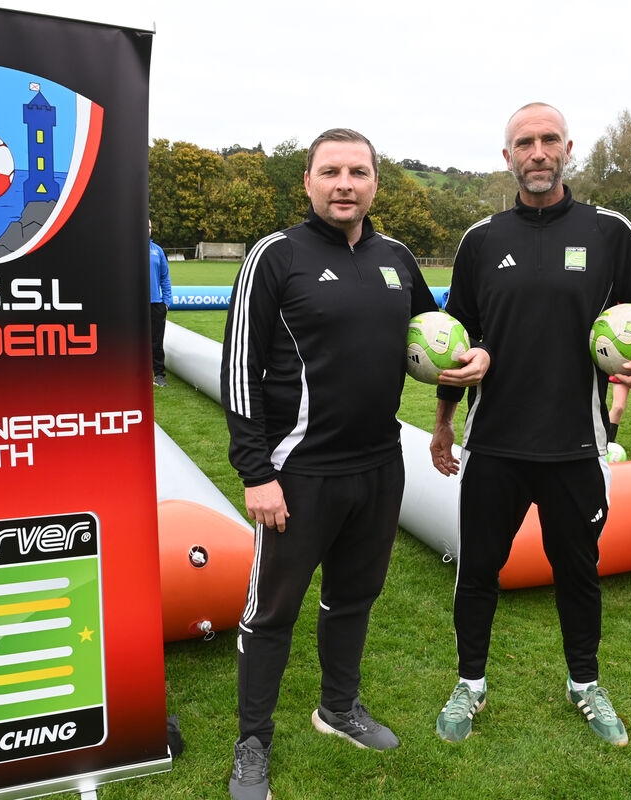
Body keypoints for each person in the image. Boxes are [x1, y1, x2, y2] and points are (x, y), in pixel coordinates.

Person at [429, 102, 631, 748]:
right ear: (507, 156)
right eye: (524, 143)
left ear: (568, 148)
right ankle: (470, 683)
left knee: (578, 573)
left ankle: (584, 684)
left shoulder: (609, 232)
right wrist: (441, 425)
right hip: (493, 446)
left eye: (548, 140)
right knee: (478, 571)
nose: (537, 152)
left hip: (577, 446)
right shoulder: (482, 240)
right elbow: (455, 343)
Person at [220, 128, 437, 800]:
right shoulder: (275, 256)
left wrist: (471, 361)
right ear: (307, 182)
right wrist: (256, 473)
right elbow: (239, 371)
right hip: (296, 475)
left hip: (378, 468)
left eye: (359, 171)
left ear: (376, 183)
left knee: (353, 600)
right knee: (271, 613)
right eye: (331, 171)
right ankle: (252, 743)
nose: (346, 183)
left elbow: (436, 336)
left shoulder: (398, 257)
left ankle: (338, 710)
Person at [149, 222, 172, 387]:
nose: (147, 230)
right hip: (133, 306)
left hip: (156, 304)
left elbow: (165, 277)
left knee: (157, 342)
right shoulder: (127, 248)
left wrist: (166, 301)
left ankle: (159, 375)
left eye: (149, 227)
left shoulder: (157, 250)